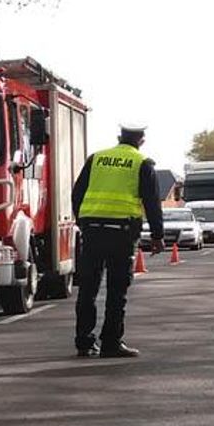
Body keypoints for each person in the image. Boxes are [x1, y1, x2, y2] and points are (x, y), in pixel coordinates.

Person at [71, 123, 164, 358]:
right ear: (141, 140)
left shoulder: (96, 159)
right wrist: (157, 236)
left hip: (92, 231)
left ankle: (84, 342)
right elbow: (152, 202)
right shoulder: (143, 163)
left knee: (88, 289)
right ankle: (111, 342)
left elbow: (77, 193)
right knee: (117, 290)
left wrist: (82, 221)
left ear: (118, 137)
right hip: (121, 234)